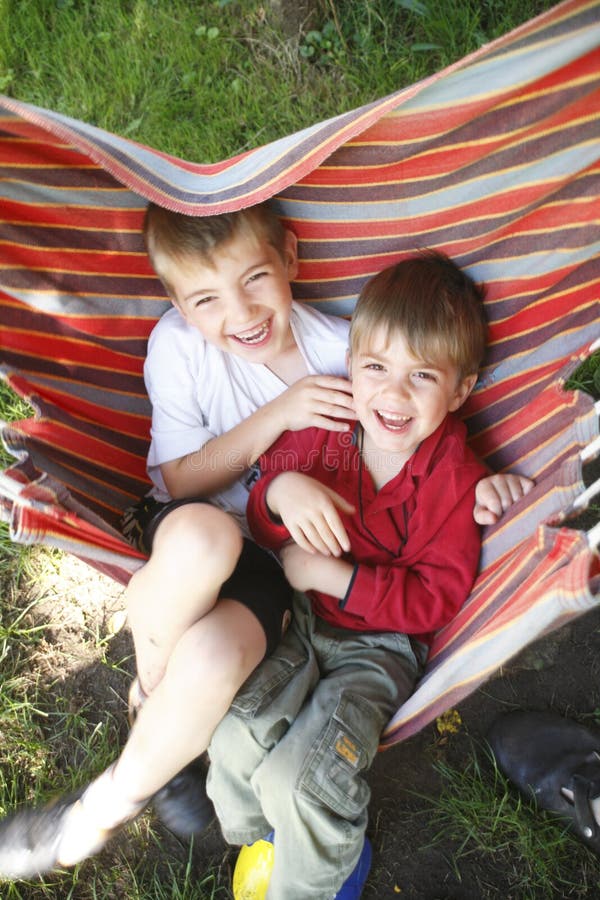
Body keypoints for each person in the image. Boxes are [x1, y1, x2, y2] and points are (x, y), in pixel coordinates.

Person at [0, 206, 530, 883]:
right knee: (205, 536)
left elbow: (412, 416)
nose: (241, 311)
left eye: (256, 279)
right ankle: (153, 701)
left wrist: (485, 485)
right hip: (199, 536)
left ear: (290, 262)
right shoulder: (187, 350)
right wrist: (280, 442)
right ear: (176, 302)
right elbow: (178, 482)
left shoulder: (347, 358)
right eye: (207, 297)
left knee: (225, 661)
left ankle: (133, 782)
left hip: (276, 579)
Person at [205, 251, 490, 899]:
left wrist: (330, 576)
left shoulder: (452, 477)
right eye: (376, 369)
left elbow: (435, 598)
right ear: (351, 367)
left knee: (298, 781)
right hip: (301, 624)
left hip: (380, 649)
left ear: (460, 390)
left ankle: (319, 876)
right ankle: (266, 837)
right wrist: (282, 494)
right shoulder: (329, 430)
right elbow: (261, 512)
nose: (392, 394)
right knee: (237, 734)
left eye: (422, 376)